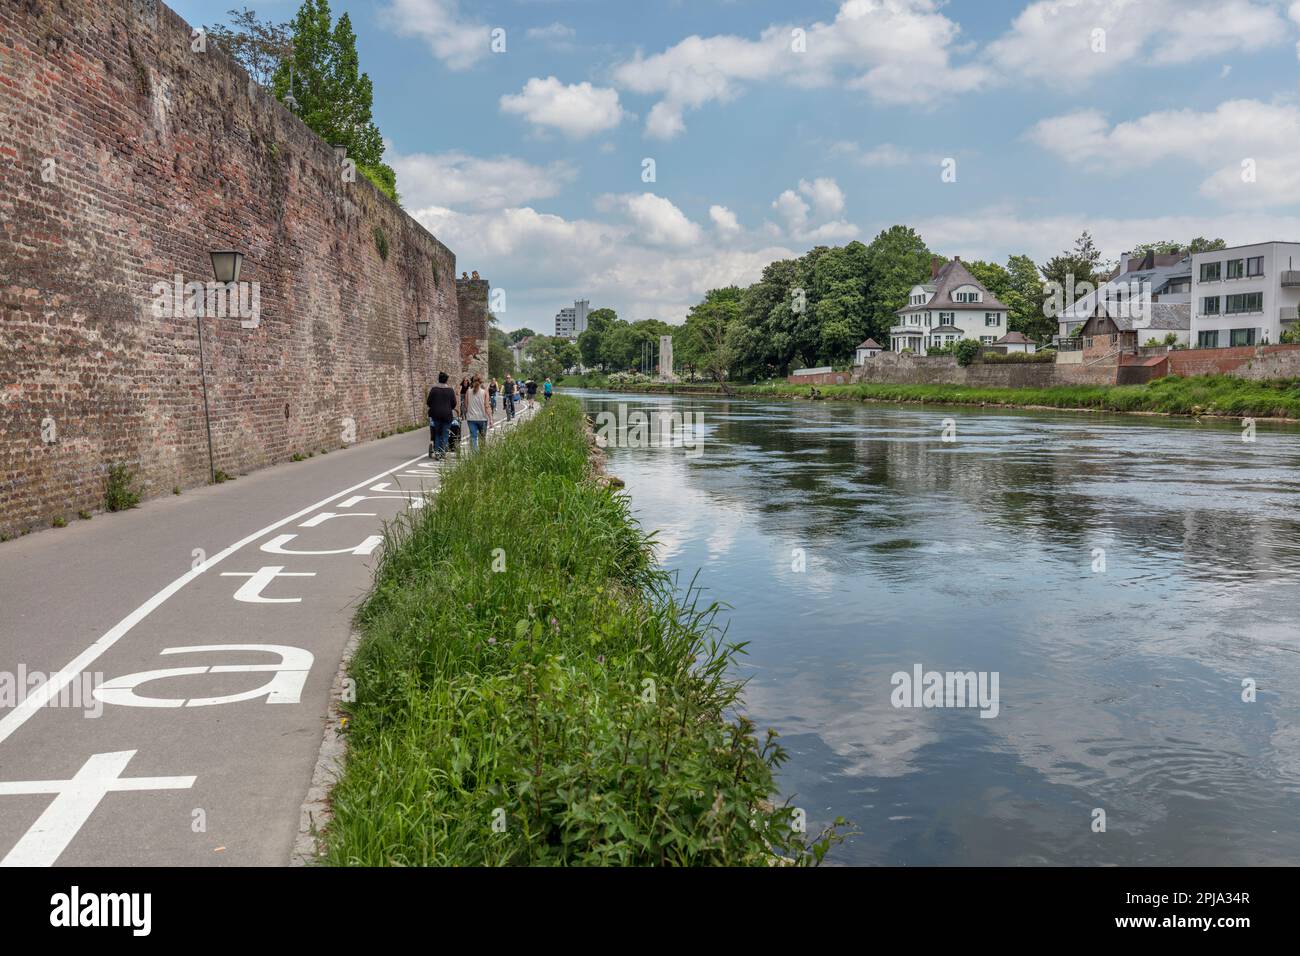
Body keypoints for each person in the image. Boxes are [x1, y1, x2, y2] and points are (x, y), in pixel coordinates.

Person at [425, 371, 457, 460]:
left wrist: (435, 406)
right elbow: (454, 403)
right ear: (446, 380)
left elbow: (428, 402)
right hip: (447, 415)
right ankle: (443, 452)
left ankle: (437, 452)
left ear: (438, 379)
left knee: (437, 433)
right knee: (445, 434)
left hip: (436, 415)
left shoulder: (434, 390)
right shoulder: (450, 390)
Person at [464, 375, 491, 452]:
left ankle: (475, 455)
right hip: (482, 418)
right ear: (481, 382)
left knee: (473, 437)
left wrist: (470, 410)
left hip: (471, 418)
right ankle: (482, 455)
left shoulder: (468, 391)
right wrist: (491, 419)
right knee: (482, 438)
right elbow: (487, 406)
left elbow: (466, 405)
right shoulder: (484, 392)